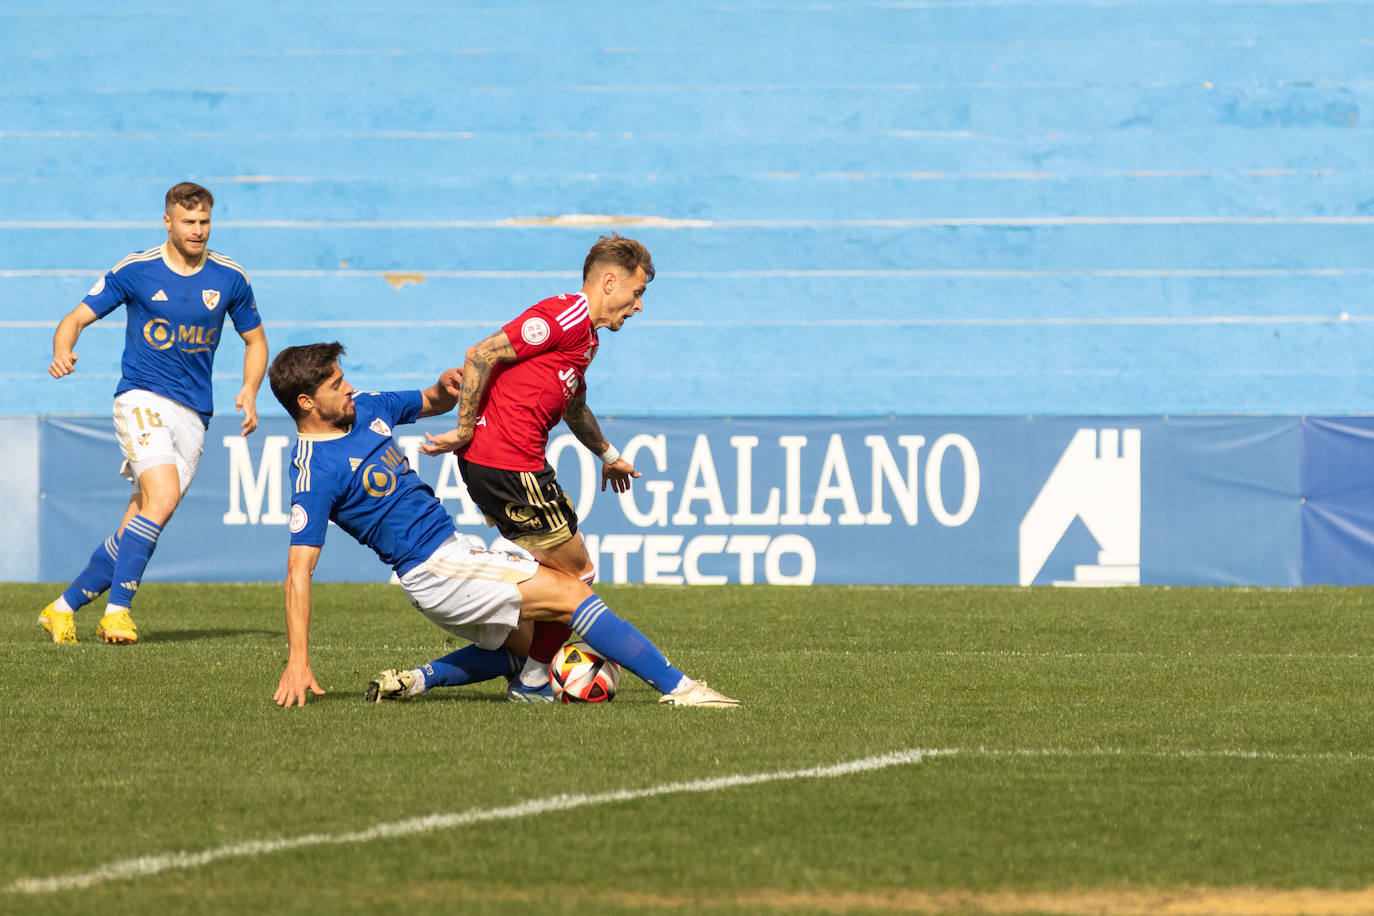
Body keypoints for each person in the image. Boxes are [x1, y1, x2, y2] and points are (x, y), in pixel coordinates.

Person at [267, 342, 739, 710]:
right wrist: (297, 660)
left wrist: (445, 386)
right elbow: (297, 573)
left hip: (455, 551)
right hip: (434, 569)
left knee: (532, 649)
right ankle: (679, 687)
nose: (348, 388)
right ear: (306, 402)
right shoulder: (313, 472)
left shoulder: (367, 407)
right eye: (336, 384)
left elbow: (430, 401)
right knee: (574, 591)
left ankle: (421, 680)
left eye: (345, 378)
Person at [418, 233, 651, 700]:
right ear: (610, 282)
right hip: (507, 462)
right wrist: (464, 429)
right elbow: (480, 354)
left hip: (511, 464)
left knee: (563, 577)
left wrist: (608, 456)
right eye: (637, 292)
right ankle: (532, 680)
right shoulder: (564, 315)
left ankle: (521, 663)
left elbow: (575, 407)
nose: (638, 306)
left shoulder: (587, 340)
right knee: (577, 576)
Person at [38, 182, 267, 645]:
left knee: (142, 520)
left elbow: (255, 340)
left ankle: (61, 609)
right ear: (168, 222)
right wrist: (63, 350)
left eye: (204, 222)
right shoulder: (137, 269)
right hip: (141, 397)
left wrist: (249, 388)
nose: (198, 231)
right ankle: (117, 613)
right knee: (160, 496)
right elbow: (76, 317)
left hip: (195, 414)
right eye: (189, 222)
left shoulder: (230, 278)